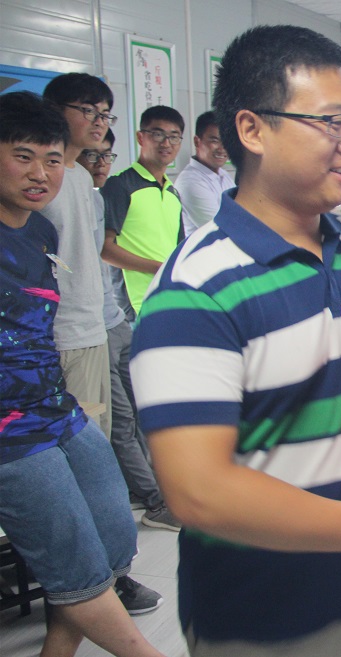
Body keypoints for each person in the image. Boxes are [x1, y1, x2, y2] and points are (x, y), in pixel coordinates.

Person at [129, 25, 341, 656]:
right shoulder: (195, 289)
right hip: (262, 613)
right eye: (331, 122)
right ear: (252, 129)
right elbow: (198, 490)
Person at [0, 91, 166, 657]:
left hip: (54, 407)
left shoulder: (39, 232)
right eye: (23, 157)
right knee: (73, 559)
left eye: (51, 159)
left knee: (114, 534)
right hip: (9, 430)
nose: (40, 174)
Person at [79, 130, 181, 532]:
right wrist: (158, 269)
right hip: (98, 326)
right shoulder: (119, 189)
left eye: (106, 155)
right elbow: (108, 252)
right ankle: (155, 499)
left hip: (121, 318)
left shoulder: (100, 198)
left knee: (140, 411)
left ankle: (152, 489)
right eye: (92, 156)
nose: (101, 163)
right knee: (119, 420)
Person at [40, 73, 113, 439]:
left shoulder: (82, 178)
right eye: (88, 110)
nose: (99, 122)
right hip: (60, 332)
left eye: (105, 114)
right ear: (54, 110)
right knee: (75, 442)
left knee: (100, 437)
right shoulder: (40, 179)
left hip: (93, 326)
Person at [101, 105, 184, 316]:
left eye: (174, 137)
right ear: (140, 137)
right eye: (158, 134)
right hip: (135, 306)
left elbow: (178, 249)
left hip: (169, 299)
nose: (166, 143)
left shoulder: (173, 192)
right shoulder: (120, 185)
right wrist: (158, 268)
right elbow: (105, 249)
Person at [175, 110, 236, 237]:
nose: (222, 148)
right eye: (215, 141)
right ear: (197, 142)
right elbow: (221, 228)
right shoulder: (190, 182)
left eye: (226, 141)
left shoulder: (224, 175)